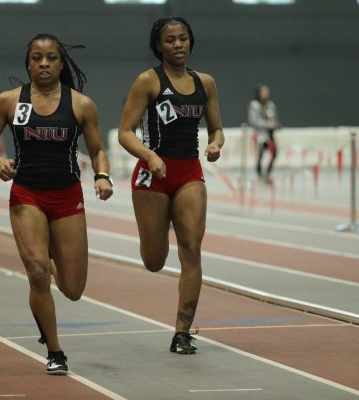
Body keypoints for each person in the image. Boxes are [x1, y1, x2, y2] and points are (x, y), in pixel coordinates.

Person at [0, 33, 113, 374]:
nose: (44, 64)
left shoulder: (81, 104)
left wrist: (102, 175)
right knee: (37, 272)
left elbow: (97, 149)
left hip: (67, 197)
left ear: (61, 63)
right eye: (37, 58)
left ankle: (50, 259)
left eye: (51, 57)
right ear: (28, 63)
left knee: (73, 288)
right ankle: (55, 351)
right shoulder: (9, 101)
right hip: (27, 195)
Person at [117, 17, 224, 354]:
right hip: (153, 174)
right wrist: (148, 155)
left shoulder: (205, 83)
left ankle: (182, 332)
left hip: (189, 172)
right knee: (154, 260)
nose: (177, 45)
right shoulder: (147, 82)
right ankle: (156, 231)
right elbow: (124, 131)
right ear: (158, 46)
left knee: (191, 248)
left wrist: (216, 144)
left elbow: (217, 128)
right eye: (170, 40)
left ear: (190, 42)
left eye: (182, 39)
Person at [248, 84, 279, 182]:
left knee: (274, 153)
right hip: (260, 134)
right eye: (263, 92)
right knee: (260, 155)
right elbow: (253, 121)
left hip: (270, 135)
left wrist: (275, 124)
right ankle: (260, 175)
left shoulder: (270, 105)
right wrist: (268, 124)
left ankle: (267, 174)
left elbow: (274, 117)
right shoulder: (254, 105)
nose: (266, 94)